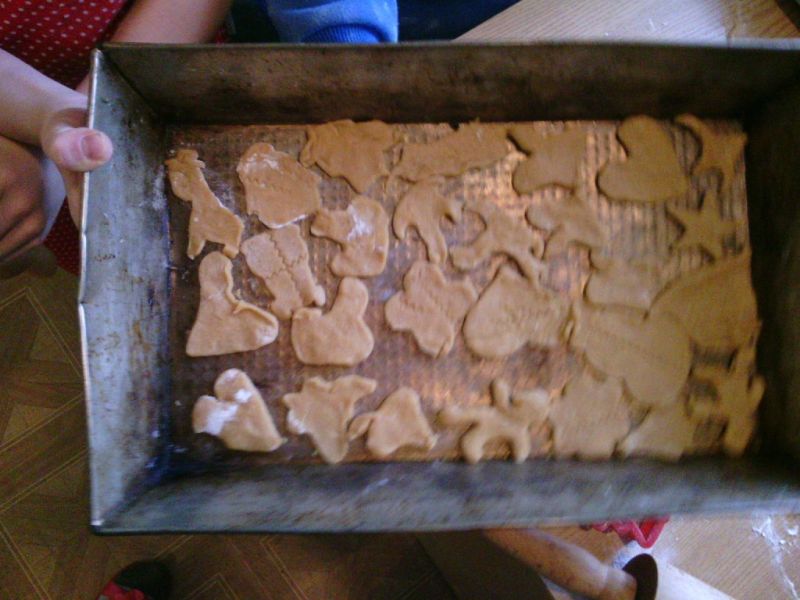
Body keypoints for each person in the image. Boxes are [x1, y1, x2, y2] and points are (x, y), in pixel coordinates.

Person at [0, 0, 233, 273]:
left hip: (153, 68)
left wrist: (76, 129)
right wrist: (43, 119)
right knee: (98, 251)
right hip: (16, 114)